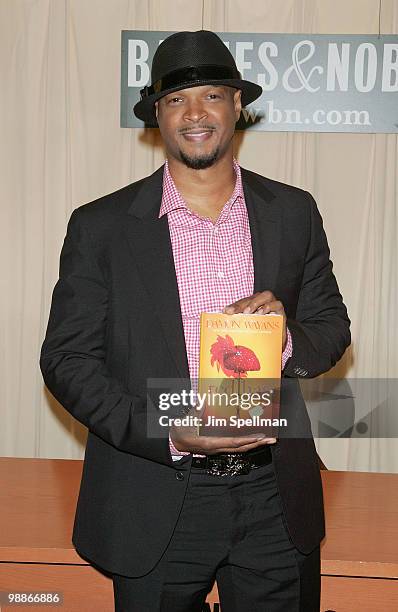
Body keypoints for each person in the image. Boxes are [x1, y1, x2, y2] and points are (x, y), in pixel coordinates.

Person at [40, 30, 351, 611]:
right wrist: (171, 430)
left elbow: (332, 326)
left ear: (238, 105)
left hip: (274, 496)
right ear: (156, 114)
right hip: (154, 496)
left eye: (211, 95)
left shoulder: (294, 212)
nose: (195, 113)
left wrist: (285, 340)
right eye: (177, 99)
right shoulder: (101, 227)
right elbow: (66, 362)